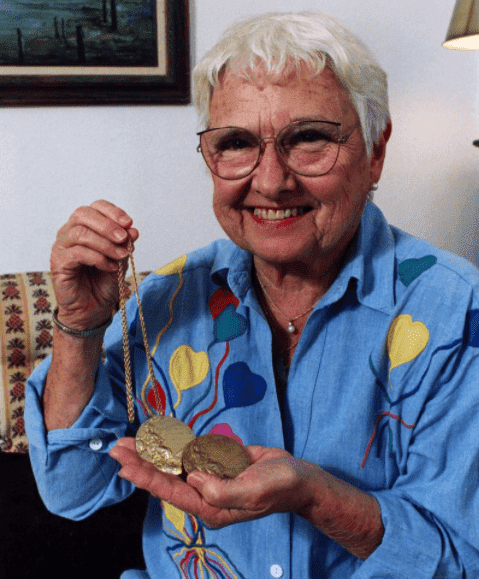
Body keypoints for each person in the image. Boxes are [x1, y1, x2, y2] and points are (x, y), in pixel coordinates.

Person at [25, 11, 479, 578]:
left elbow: (461, 558)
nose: (270, 181)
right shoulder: (166, 303)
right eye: (236, 143)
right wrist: (80, 327)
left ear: (376, 151)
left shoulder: (458, 315)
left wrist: (314, 496)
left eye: (309, 138)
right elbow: (73, 490)